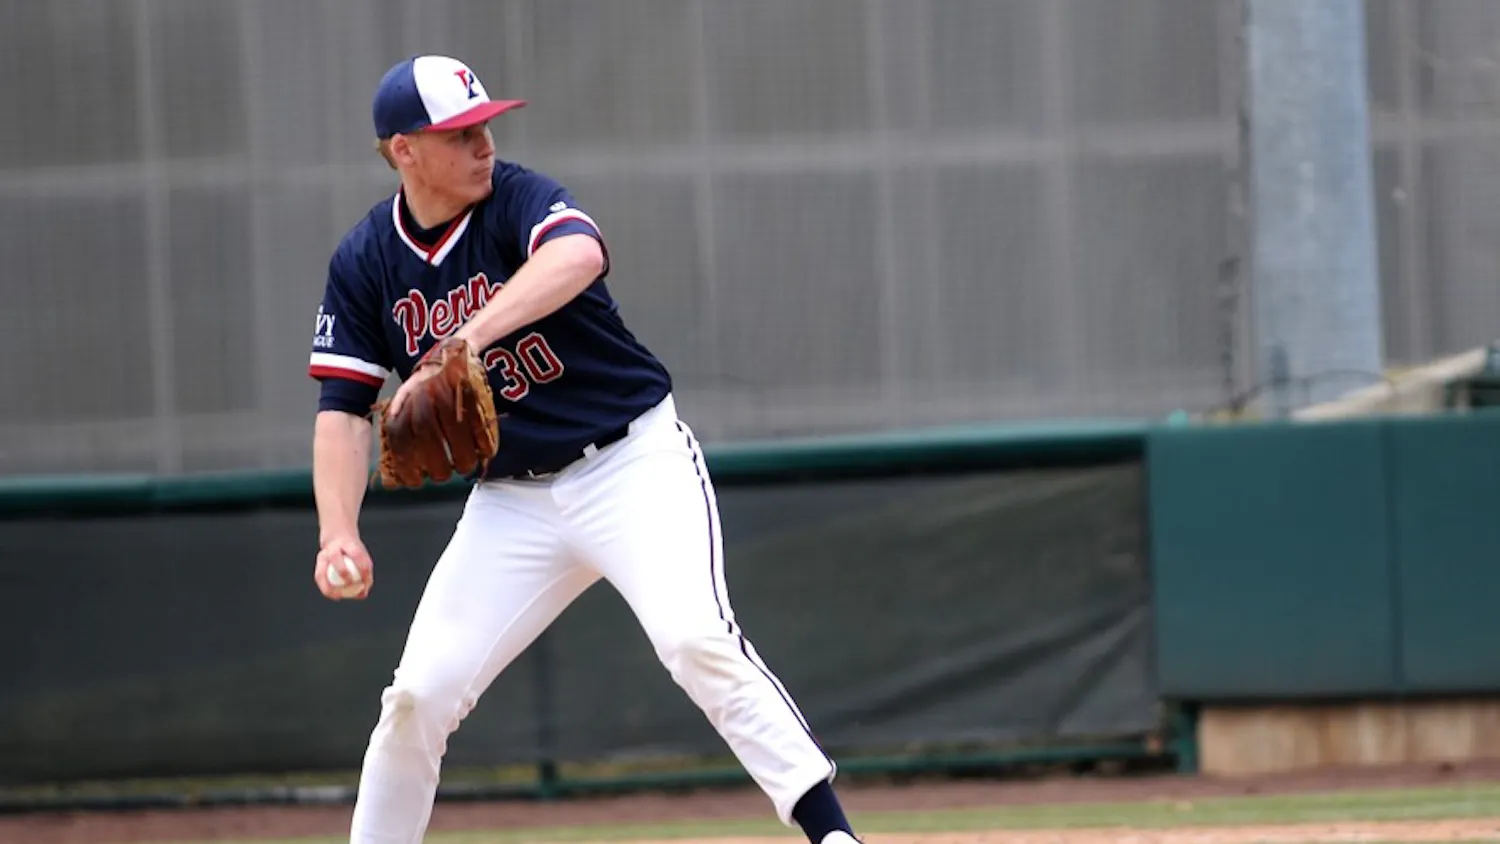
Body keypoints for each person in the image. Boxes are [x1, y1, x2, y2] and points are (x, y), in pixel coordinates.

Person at [305, 54, 862, 844]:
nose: (484, 144)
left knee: (696, 638)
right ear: (405, 151)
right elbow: (343, 405)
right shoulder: (365, 262)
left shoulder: (516, 199)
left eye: (485, 126)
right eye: (460, 133)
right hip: (512, 504)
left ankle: (833, 836)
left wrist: (462, 337)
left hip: (631, 465)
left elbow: (578, 255)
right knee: (418, 697)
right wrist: (338, 532)